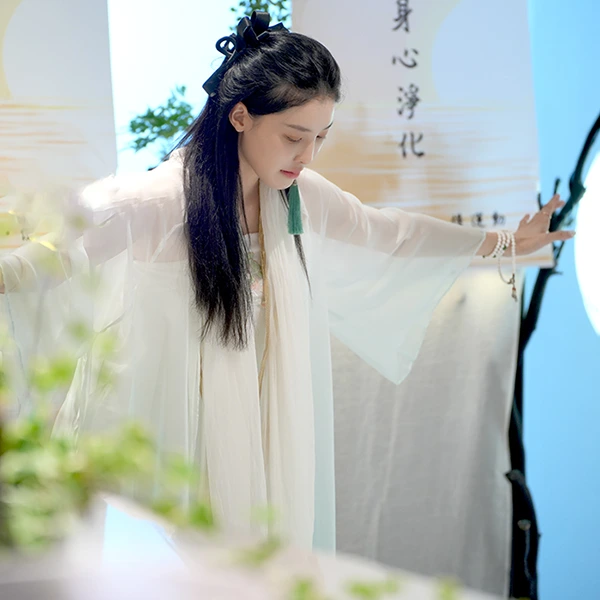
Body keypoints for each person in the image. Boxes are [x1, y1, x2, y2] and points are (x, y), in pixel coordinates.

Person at [0, 11, 574, 551]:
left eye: (320, 137)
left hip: (255, 426)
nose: (308, 156)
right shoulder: (154, 200)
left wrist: (505, 242)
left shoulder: (297, 197)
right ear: (240, 116)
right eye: (294, 136)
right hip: (162, 424)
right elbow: (53, 256)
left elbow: (391, 233)